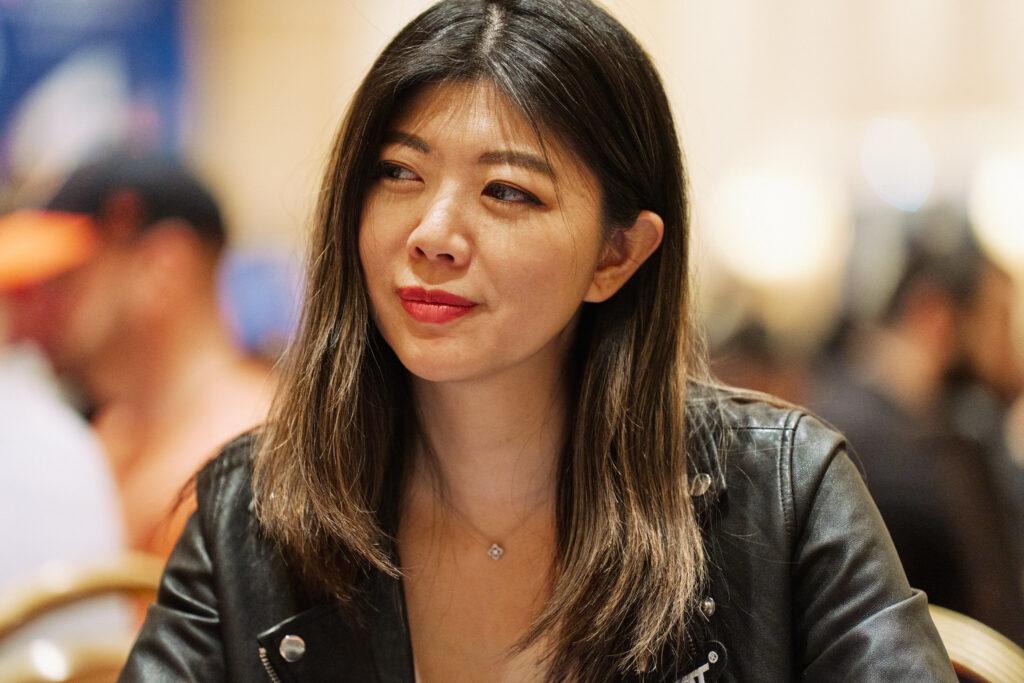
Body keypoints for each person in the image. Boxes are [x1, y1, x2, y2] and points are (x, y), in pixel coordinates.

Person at [120, 1, 955, 680]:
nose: (433, 233)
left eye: (508, 191)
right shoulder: (252, 511)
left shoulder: (781, 491)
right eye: (400, 173)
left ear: (617, 254)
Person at [2, 153, 277, 557]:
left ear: (162, 267)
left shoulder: (260, 461)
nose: (27, 317)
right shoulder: (113, 439)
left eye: (64, 280)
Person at [808, 217, 1024, 644]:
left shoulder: (946, 428)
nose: (1010, 353)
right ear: (935, 314)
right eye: (998, 322)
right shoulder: (862, 440)